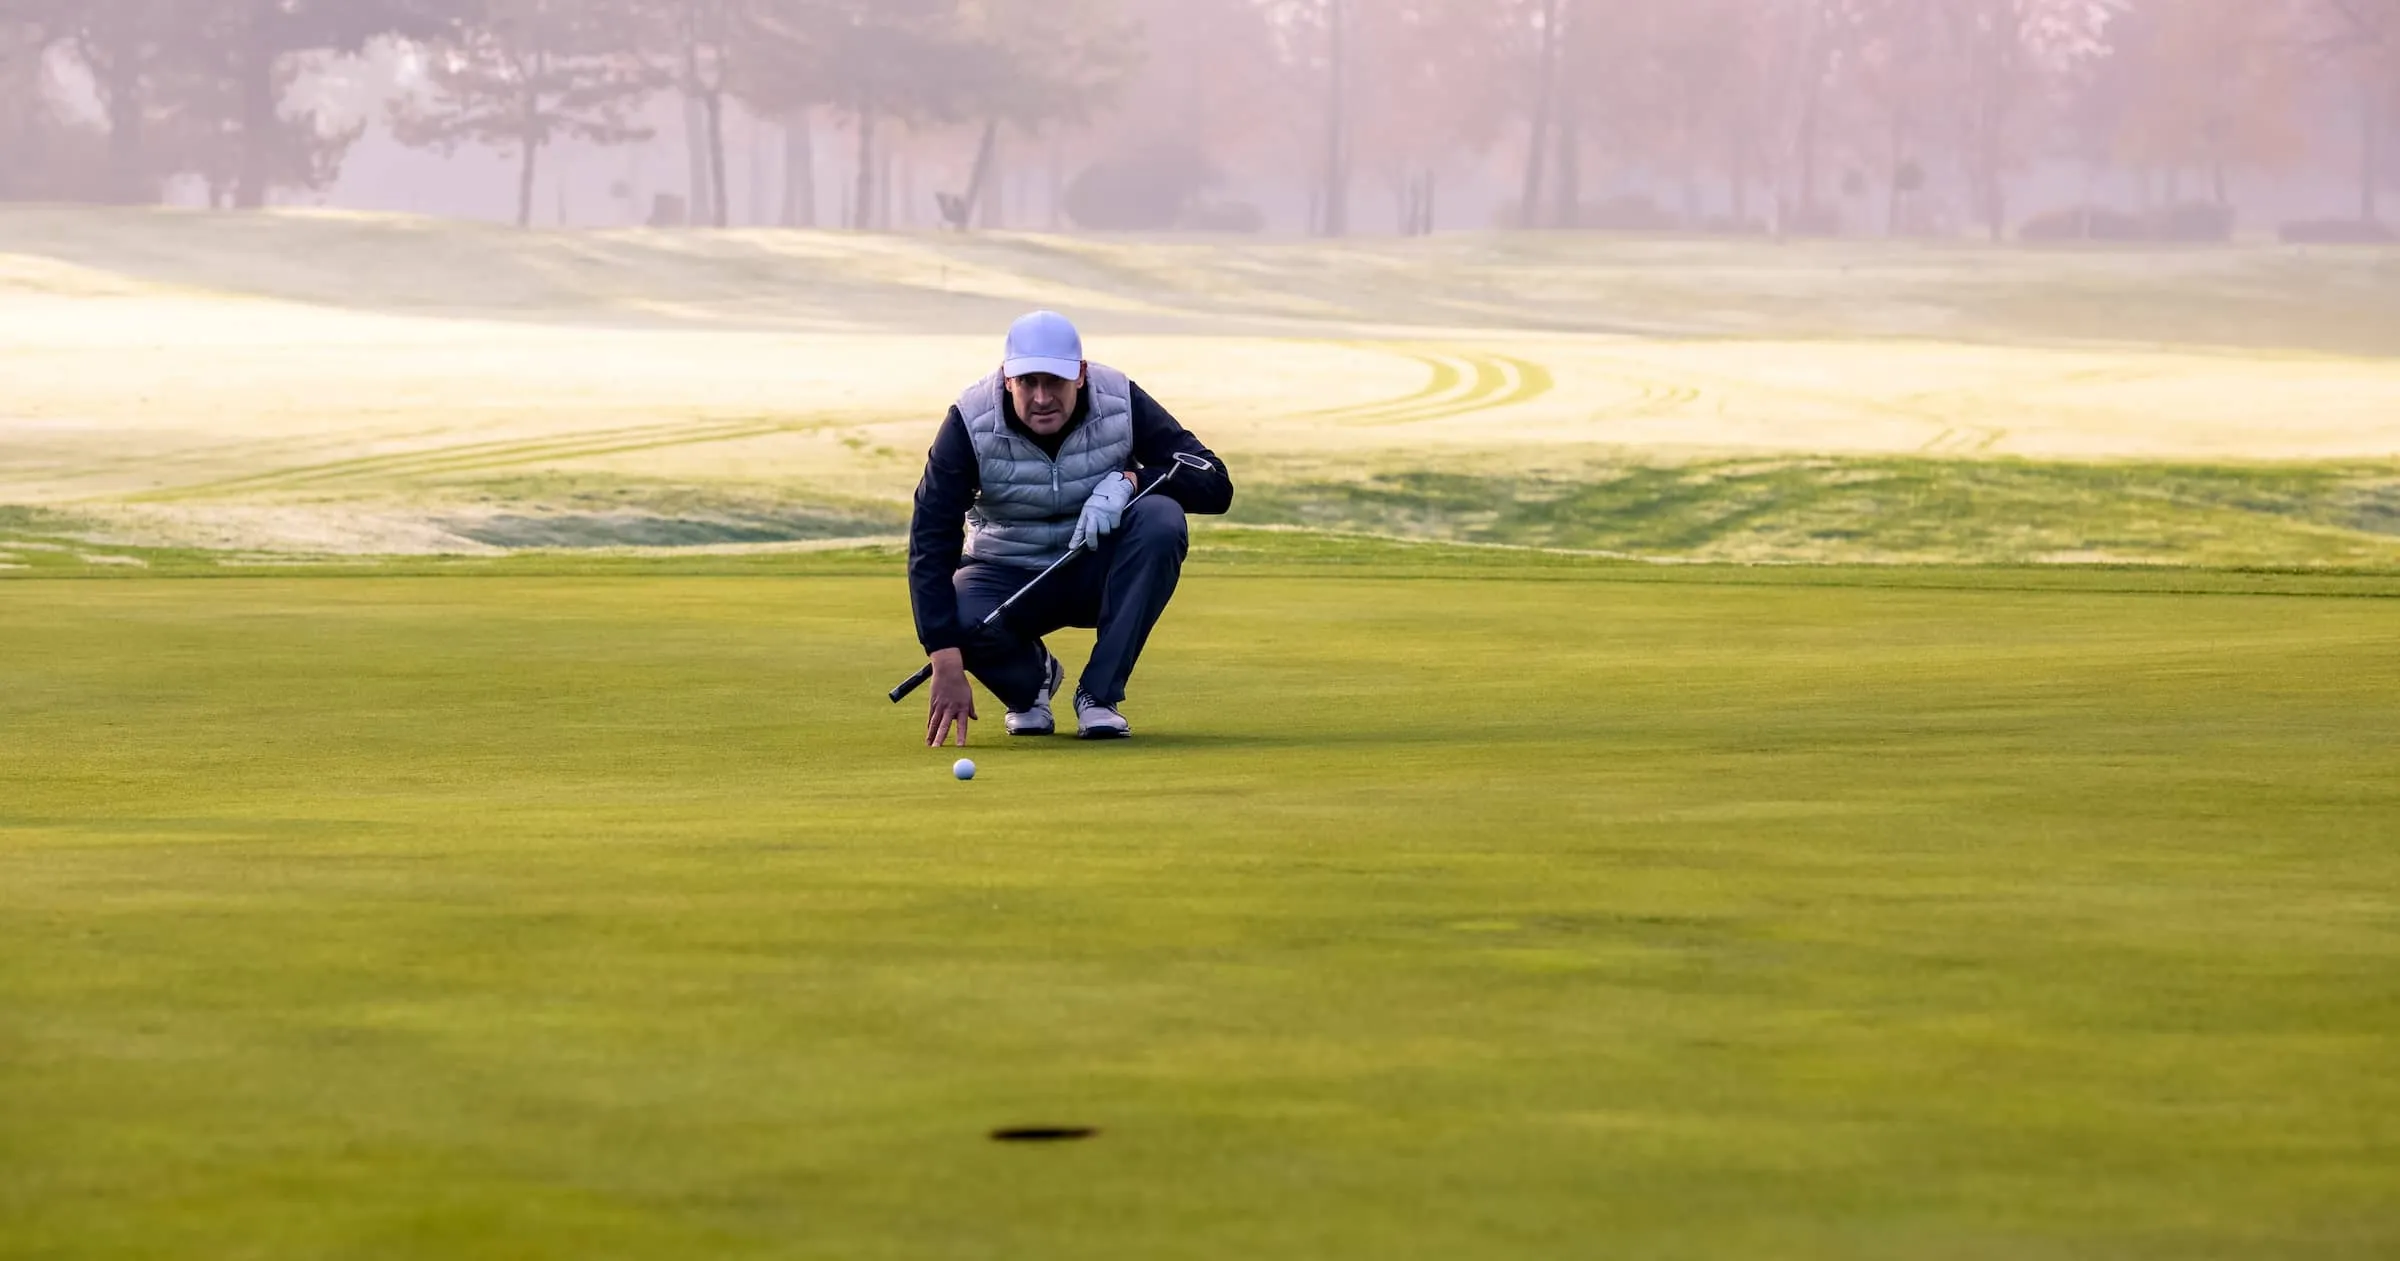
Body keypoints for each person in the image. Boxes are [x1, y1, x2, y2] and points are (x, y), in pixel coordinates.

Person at [909, 311, 1234, 747]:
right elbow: (931, 538)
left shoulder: (1118, 399)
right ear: (1007, 379)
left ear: (1080, 375)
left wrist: (1131, 481)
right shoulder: (969, 420)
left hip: (1096, 571)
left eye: (1055, 382)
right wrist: (946, 656)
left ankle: (1099, 697)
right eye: (1028, 382)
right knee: (958, 610)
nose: (1042, 397)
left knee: (1160, 519)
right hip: (1005, 575)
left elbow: (1215, 482)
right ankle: (1032, 683)